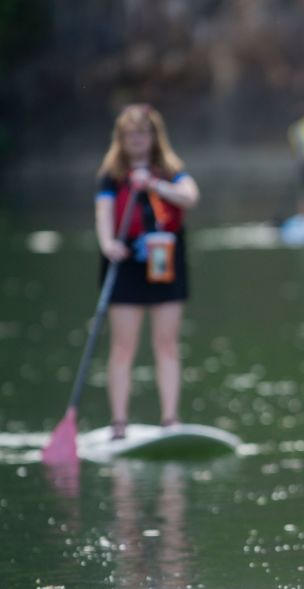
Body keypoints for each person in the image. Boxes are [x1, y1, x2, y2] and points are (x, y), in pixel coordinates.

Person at [95, 104, 200, 440]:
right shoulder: (111, 174)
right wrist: (108, 242)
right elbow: (103, 211)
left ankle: (170, 418)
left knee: (167, 344)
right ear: (121, 139)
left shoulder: (170, 171)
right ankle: (119, 423)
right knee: (123, 346)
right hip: (125, 263)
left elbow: (189, 197)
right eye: (129, 134)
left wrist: (154, 185)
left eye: (142, 133)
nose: (136, 139)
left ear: (154, 136)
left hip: (164, 263)